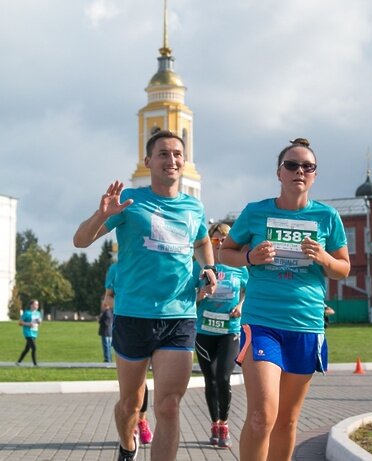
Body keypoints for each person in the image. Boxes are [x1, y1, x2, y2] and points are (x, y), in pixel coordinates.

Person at [73, 130, 217, 461]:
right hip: (133, 315)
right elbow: (80, 241)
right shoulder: (130, 203)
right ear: (148, 161)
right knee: (131, 403)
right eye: (163, 154)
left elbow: (202, 241)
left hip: (179, 315)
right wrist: (102, 215)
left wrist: (209, 269)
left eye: (178, 154)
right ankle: (127, 444)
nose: (172, 160)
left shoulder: (194, 207)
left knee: (168, 405)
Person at [218, 138, 350, 461]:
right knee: (263, 415)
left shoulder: (327, 217)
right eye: (291, 165)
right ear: (279, 173)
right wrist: (249, 256)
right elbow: (224, 252)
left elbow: (343, 269)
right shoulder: (255, 212)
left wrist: (324, 258)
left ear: (315, 175)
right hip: (262, 323)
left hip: (305, 325)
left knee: (287, 420)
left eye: (308, 166)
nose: (299, 171)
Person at [194, 222, 248, 448]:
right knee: (211, 379)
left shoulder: (239, 268)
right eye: (215, 240)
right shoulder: (201, 268)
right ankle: (214, 422)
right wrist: (201, 295)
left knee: (223, 376)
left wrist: (241, 307)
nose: (219, 244)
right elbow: (190, 298)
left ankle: (224, 423)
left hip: (230, 331)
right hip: (204, 330)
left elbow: (249, 291)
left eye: (224, 241)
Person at [103, 259, 153, 445]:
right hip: (127, 325)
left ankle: (142, 420)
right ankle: (134, 422)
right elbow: (107, 298)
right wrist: (124, 305)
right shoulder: (115, 268)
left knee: (144, 378)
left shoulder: (150, 261)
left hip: (154, 323)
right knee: (135, 384)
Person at [16, 299, 41, 366]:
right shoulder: (27, 313)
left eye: (37, 304)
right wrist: (28, 324)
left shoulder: (38, 313)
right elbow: (20, 322)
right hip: (28, 332)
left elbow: (39, 323)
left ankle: (18, 362)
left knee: (27, 349)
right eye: (35, 304)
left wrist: (39, 322)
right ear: (31, 305)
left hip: (34, 332)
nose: (37, 306)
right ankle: (35, 364)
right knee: (34, 348)